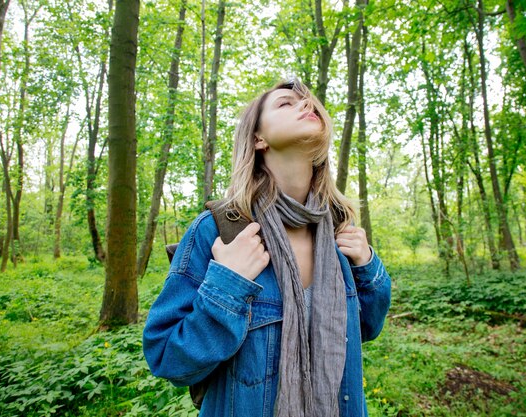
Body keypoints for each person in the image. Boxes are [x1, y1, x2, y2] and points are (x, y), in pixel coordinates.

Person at [143, 78, 392, 417]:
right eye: (286, 103)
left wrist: (368, 268)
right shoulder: (219, 232)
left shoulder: (337, 233)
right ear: (258, 138)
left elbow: (364, 330)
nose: (306, 105)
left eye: (309, 103)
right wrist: (227, 286)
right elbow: (167, 359)